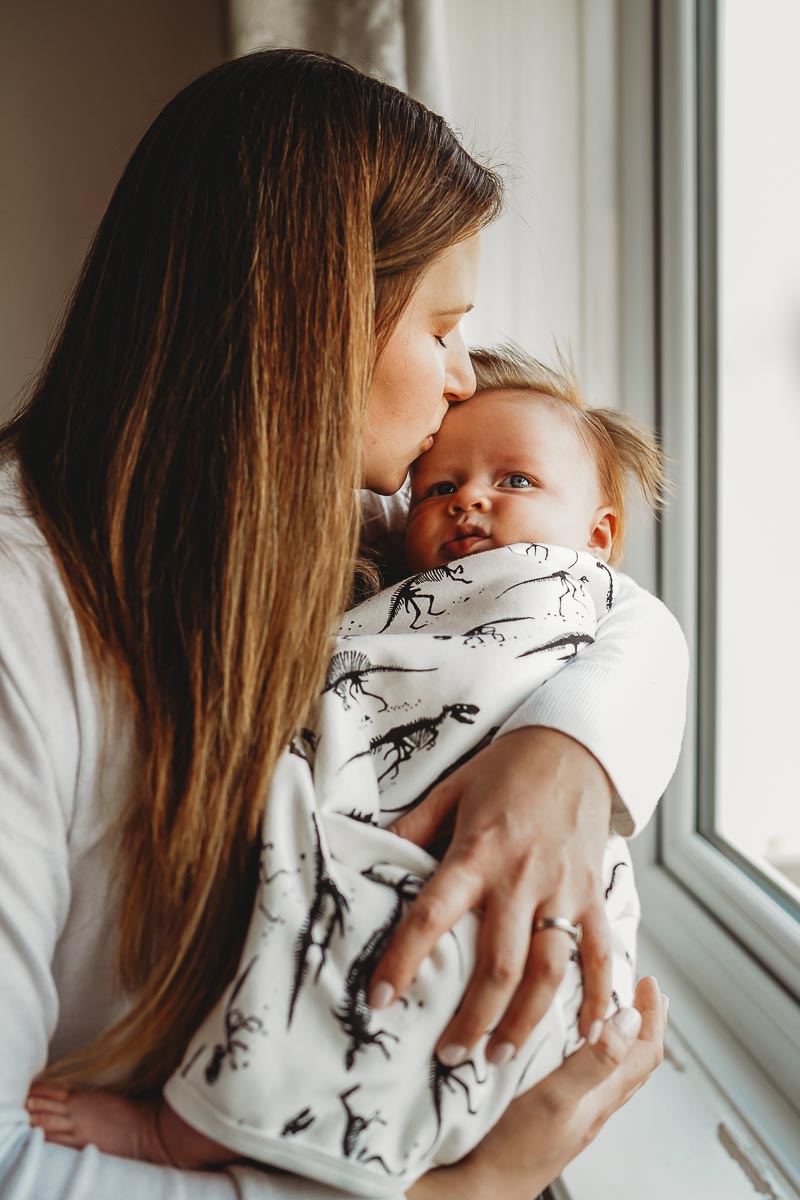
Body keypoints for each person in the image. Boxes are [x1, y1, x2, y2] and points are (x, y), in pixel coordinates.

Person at [0, 48, 682, 1200]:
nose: (465, 384)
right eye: (443, 330)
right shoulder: (28, 616)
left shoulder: (327, 516)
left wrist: (563, 753)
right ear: (312, 325)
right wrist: (462, 1197)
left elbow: (611, 612)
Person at [26, 347, 665, 1197]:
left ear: (599, 536)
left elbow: (642, 627)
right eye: (440, 488)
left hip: (497, 880)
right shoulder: (374, 559)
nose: (470, 499)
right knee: (313, 907)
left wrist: (570, 747)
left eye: (514, 482)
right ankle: (206, 1124)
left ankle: (182, 1129)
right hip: (392, 839)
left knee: (401, 948)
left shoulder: (576, 594)